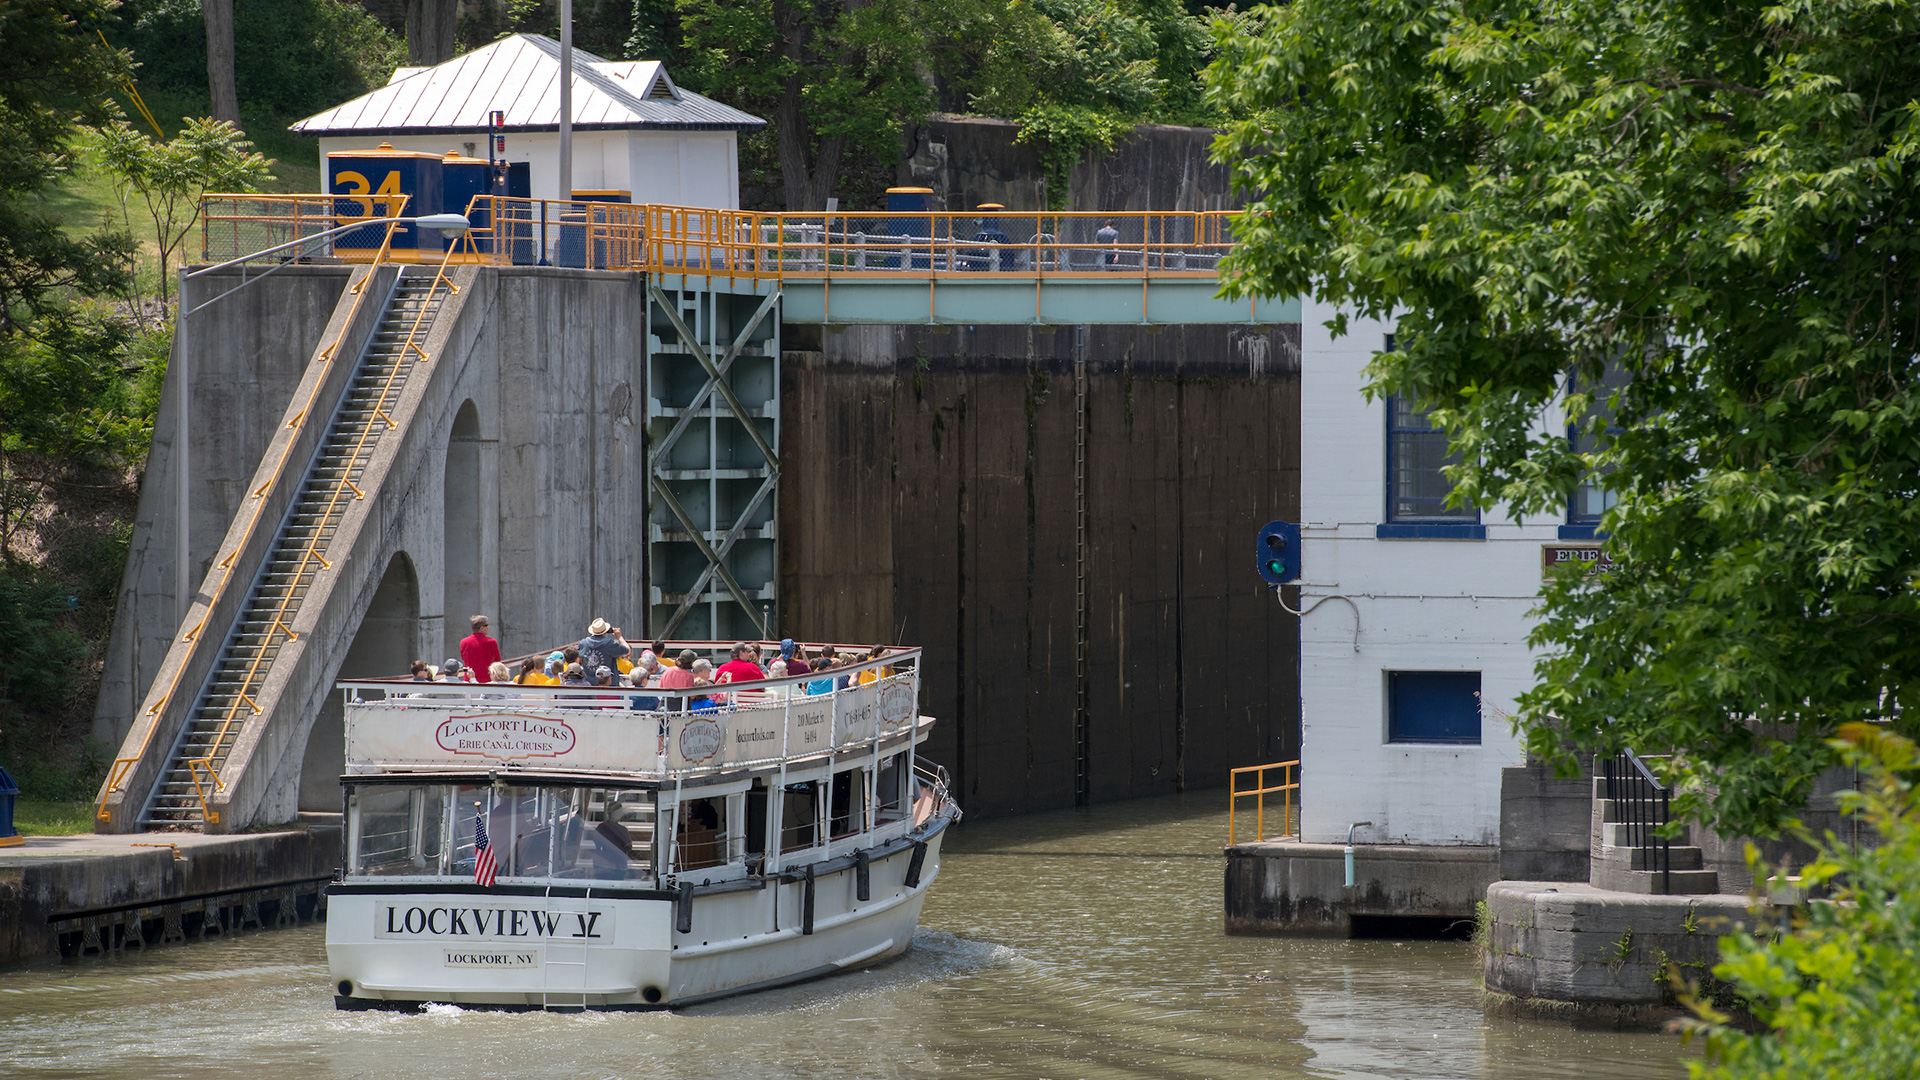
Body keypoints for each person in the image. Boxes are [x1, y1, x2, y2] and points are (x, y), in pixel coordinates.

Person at [459, 615, 503, 683]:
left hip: (468, 681)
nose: (488, 627)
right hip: (487, 681)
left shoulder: (463, 642)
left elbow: (464, 659)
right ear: (481, 628)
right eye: (487, 625)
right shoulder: (491, 642)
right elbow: (498, 660)